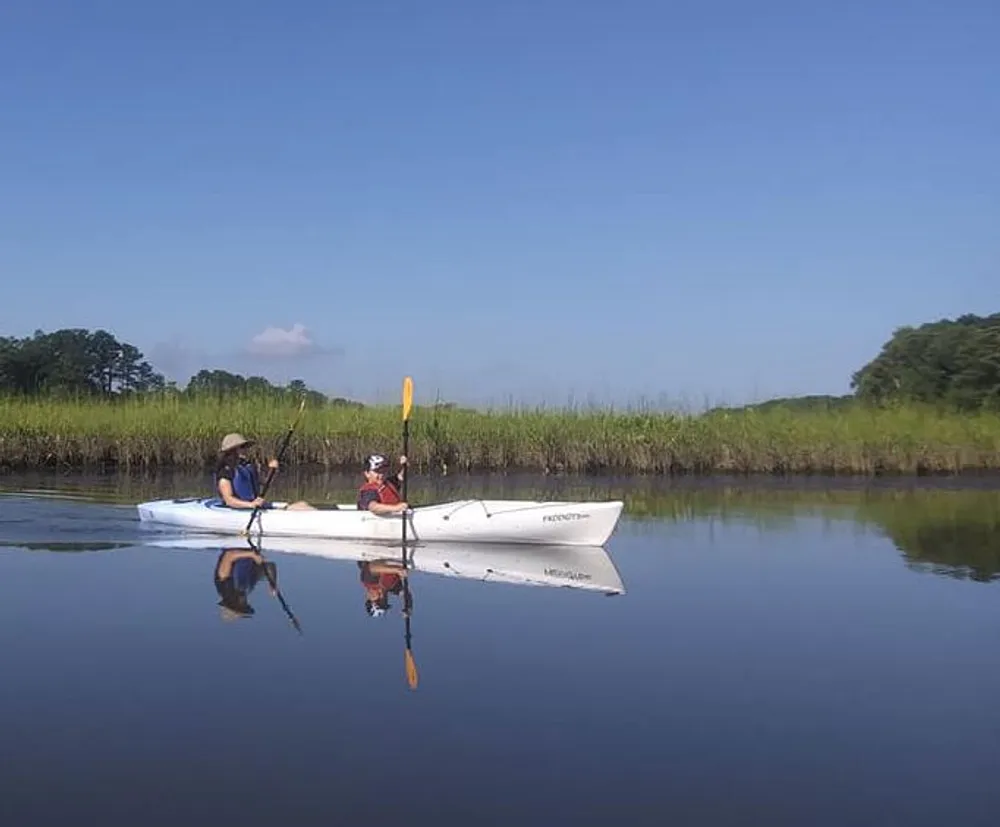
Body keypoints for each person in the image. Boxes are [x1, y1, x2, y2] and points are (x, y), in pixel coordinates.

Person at [214, 432, 314, 510]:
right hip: (241, 509)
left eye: (245, 447)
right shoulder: (225, 471)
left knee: (303, 504)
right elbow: (229, 500)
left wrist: (272, 470)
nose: (246, 449)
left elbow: (266, 483)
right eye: (242, 447)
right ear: (232, 450)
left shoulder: (247, 467)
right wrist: (251, 504)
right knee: (299, 509)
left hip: (255, 505)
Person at [213, 546, 277, 620]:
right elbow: (270, 567)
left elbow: (229, 555)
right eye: (245, 605)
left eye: (242, 606)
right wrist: (272, 583)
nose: (245, 602)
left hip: (236, 543)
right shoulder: (246, 586)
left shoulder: (223, 585)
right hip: (252, 546)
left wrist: (252, 555)